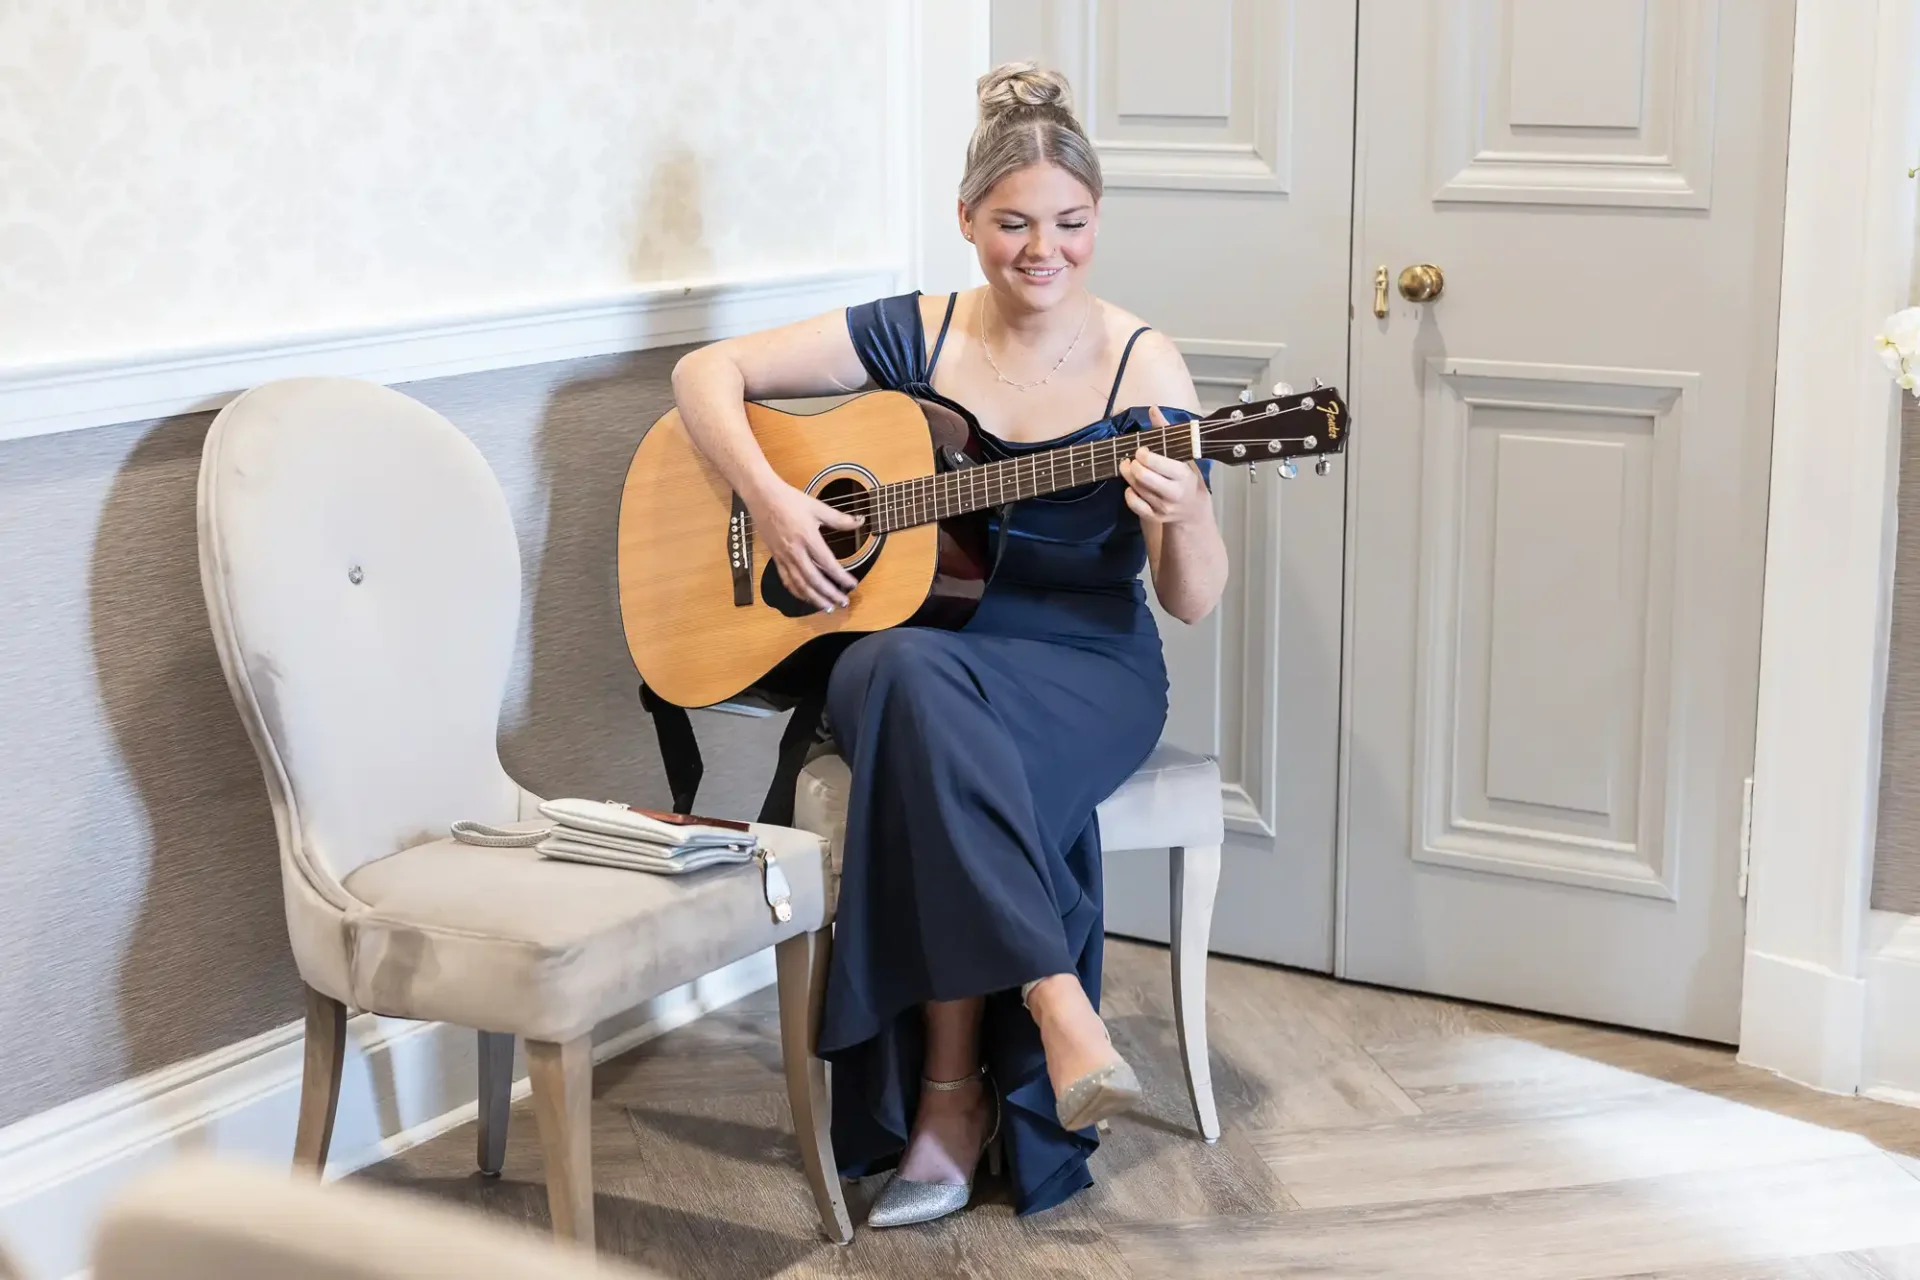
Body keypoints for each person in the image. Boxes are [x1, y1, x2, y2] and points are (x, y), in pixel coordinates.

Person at [668, 60, 1230, 1227]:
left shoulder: (1146, 369)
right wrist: (773, 497)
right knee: (905, 668)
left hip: (1084, 662)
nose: (1045, 250)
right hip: (925, 645)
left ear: (1097, 220)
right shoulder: (916, 334)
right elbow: (702, 371)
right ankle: (1057, 996)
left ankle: (946, 1098)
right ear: (967, 220)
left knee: (916, 709)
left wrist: (1184, 517)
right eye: (1015, 222)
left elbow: (1194, 600)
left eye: (1070, 224)